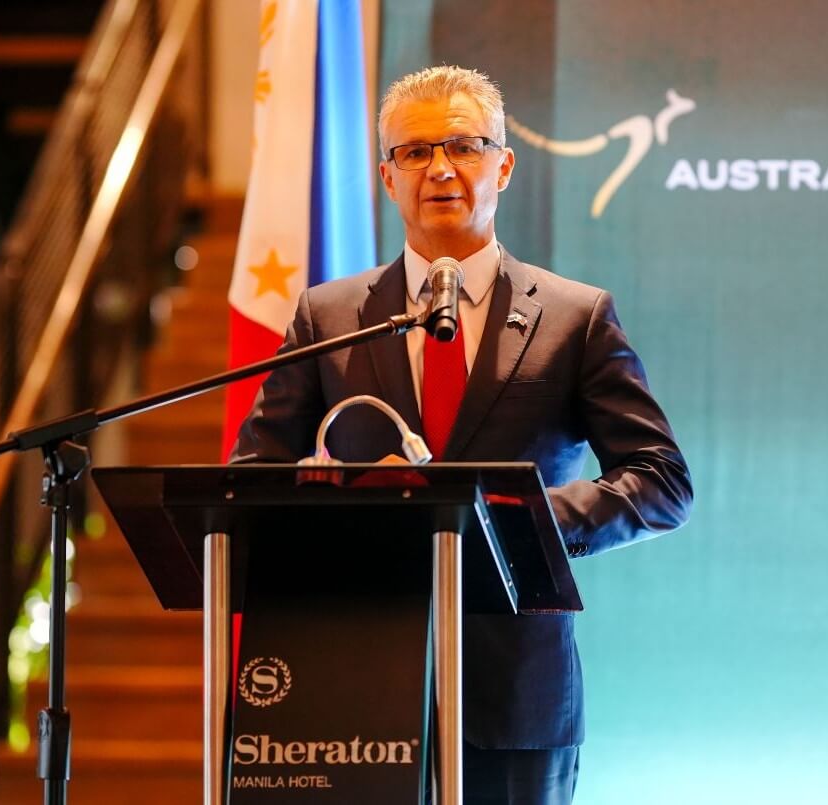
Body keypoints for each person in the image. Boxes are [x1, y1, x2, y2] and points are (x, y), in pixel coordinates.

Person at [231, 65, 692, 805]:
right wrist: (338, 500)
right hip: (353, 682)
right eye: (414, 152)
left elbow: (661, 480)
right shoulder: (328, 317)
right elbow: (250, 482)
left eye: (464, 146)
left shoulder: (574, 317)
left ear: (503, 165)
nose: (439, 168)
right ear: (386, 176)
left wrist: (524, 522)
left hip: (515, 693)